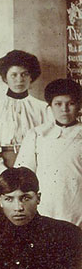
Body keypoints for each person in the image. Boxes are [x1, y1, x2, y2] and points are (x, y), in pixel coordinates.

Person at [0, 50, 49, 207]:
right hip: (0, 167)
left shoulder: (42, 108)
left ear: (31, 77)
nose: (20, 79)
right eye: (14, 75)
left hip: (32, 167)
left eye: (25, 74)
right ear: (5, 78)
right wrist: (4, 172)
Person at [15, 77, 82, 226]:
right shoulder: (37, 134)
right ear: (50, 107)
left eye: (70, 104)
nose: (64, 109)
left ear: (79, 106)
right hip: (45, 205)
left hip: (77, 206)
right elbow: (24, 173)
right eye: (58, 104)